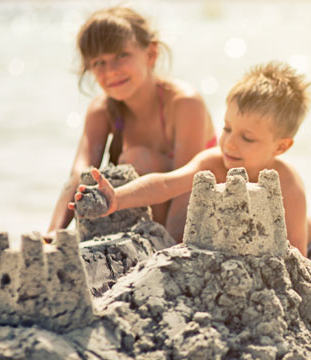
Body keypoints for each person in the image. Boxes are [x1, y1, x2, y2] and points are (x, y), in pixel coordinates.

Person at [70, 61, 311, 303]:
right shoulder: (214, 162)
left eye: (247, 137)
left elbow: (295, 260)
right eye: (227, 128)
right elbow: (164, 185)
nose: (230, 144)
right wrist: (118, 198)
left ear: (281, 147)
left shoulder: (287, 183)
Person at [47, 6, 216, 242]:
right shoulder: (102, 110)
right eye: (98, 63)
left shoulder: (184, 103)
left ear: (151, 54)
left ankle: (159, 242)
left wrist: (173, 252)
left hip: (199, 214)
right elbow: (78, 177)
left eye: (121, 56)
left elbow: (186, 188)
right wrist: (54, 234)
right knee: (97, 177)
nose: (111, 71)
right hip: (144, 220)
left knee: (137, 159)